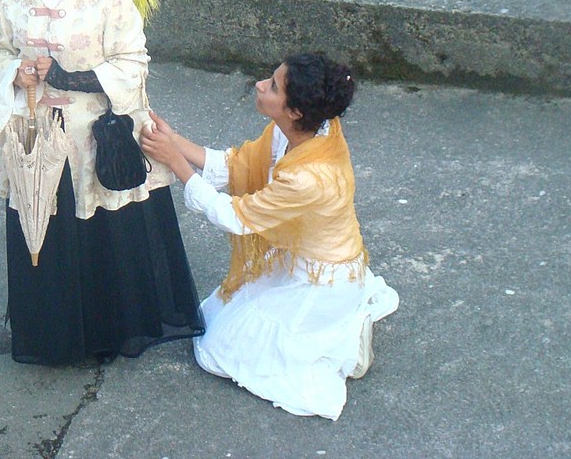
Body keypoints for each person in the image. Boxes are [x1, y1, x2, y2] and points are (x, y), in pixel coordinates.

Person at [0, 0, 204, 365]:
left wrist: (67, 74)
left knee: (101, 231)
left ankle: (104, 330)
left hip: (93, 134)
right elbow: (1, 48)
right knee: (41, 222)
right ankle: (49, 332)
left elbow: (132, 62)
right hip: (35, 131)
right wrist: (16, 73)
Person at [140, 53, 399, 420]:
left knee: (214, 349)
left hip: (319, 280)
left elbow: (236, 217)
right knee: (213, 316)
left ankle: (341, 339)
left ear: (294, 111)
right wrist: (174, 141)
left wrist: (177, 163)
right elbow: (237, 165)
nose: (261, 85)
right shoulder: (307, 129)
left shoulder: (309, 177)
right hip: (299, 259)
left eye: (273, 86)